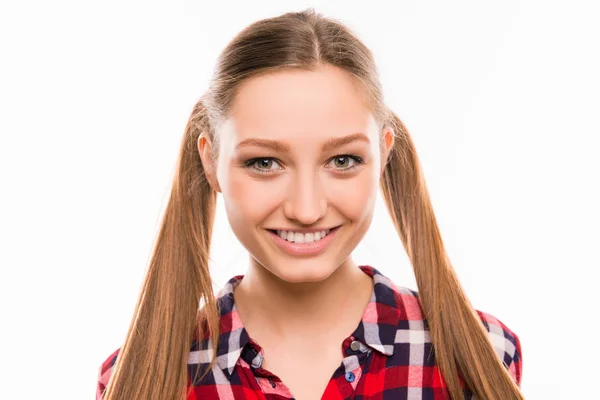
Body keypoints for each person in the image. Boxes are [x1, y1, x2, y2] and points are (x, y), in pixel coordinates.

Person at [96, 8, 524, 400]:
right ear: (211, 161)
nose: (306, 209)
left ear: (383, 155)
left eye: (342, 160)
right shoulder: (136, 379)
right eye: (264, 162)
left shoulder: (481, 356)